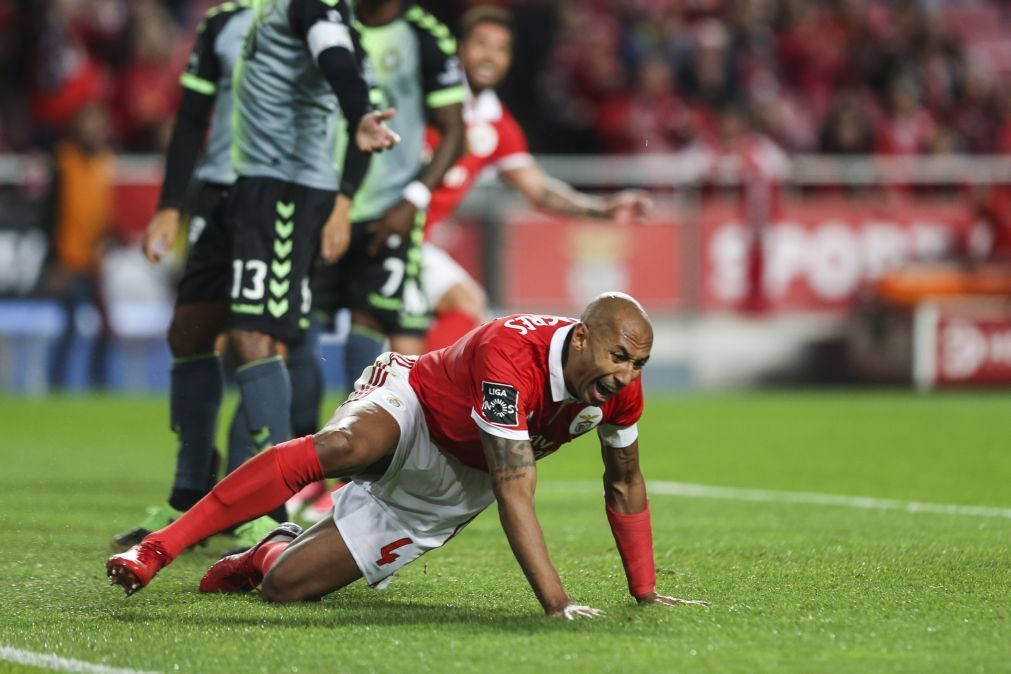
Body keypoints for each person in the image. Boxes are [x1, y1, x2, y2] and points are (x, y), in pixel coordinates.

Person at [108, 292, 707, 618]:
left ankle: (269, 552)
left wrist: (645, 590)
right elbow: (513, 488)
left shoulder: (620, 397)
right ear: (581, 338)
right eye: (618, 357)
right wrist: (558, 604)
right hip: (415, 404)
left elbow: (624, 482)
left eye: (638, 365)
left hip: (451, 489)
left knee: (286, 590)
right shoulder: (511, 354)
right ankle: (157, 549)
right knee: (343, 446)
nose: (625, 376)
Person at [112, 0, 399, 548]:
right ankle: (189, 492)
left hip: (285, 192)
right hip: (231, 191)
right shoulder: (229, 20)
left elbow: (338, 58)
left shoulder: (317, 9)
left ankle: (268, 506)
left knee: (261, 337)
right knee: (190, 332)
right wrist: (174, 202)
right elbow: (194, 113)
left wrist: (345, 193)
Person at [421, 7, 654, 352]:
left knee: (462, 309)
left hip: (411, 241)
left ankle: (401, 394)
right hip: (371, 223)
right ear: (459, 50)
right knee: (453, 309)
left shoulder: (497, 124)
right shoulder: (422, 95)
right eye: (481, 44)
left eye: (501, 49)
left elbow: (539, 190)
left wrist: (601, 208)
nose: (490, 56)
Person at [48, 102, 115, 391]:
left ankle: (97, 387)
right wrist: (54, 260)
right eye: (89, 123)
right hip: (69, 260)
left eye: (98, 123)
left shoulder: (106, 162)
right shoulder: (64, 161)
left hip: (96, 263)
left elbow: (108, 213)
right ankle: (58, 385)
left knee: (105, 329)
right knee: (70, 327)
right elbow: (50, 214)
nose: (95, 129)